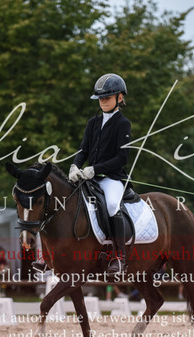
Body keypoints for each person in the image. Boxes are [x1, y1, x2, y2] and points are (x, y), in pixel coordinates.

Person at [68, 73, 131, 276]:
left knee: (112, 205)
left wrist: (96, 169)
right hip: (90, 178)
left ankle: (119, 258)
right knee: (65, 199)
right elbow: (83, 150)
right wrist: (75, 165)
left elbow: (122, 157)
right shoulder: (92, 123)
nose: (103, 101)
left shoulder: (123, 124)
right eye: (100, 98)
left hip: (112, 179)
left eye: (107, 97)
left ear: (119, 97)